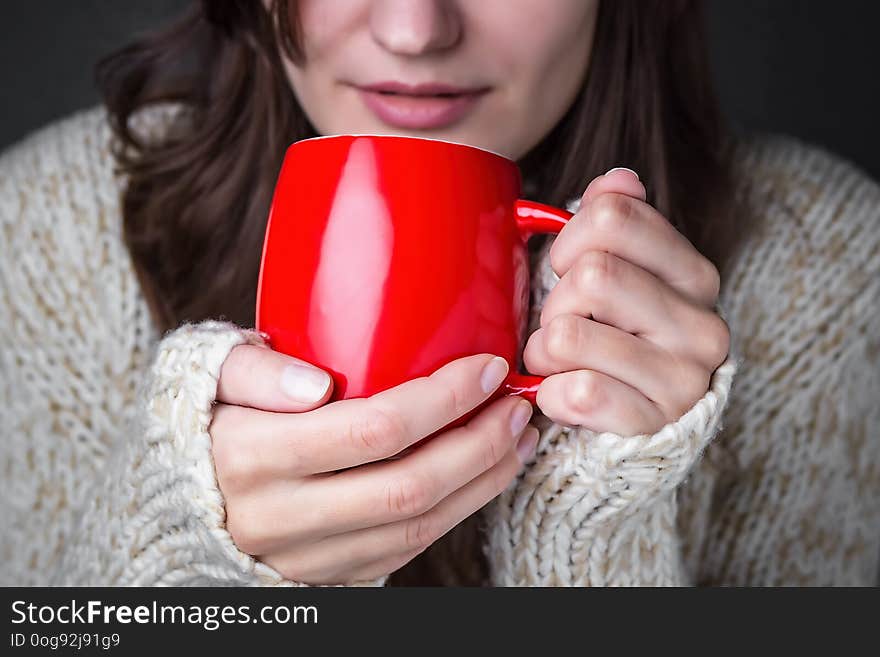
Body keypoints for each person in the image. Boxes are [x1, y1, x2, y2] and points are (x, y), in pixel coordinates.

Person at [1, 0, 877, 587]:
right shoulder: (40, 233)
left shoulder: (831, 268)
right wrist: (179, 552)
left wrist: (596, 523)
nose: (417, 29)